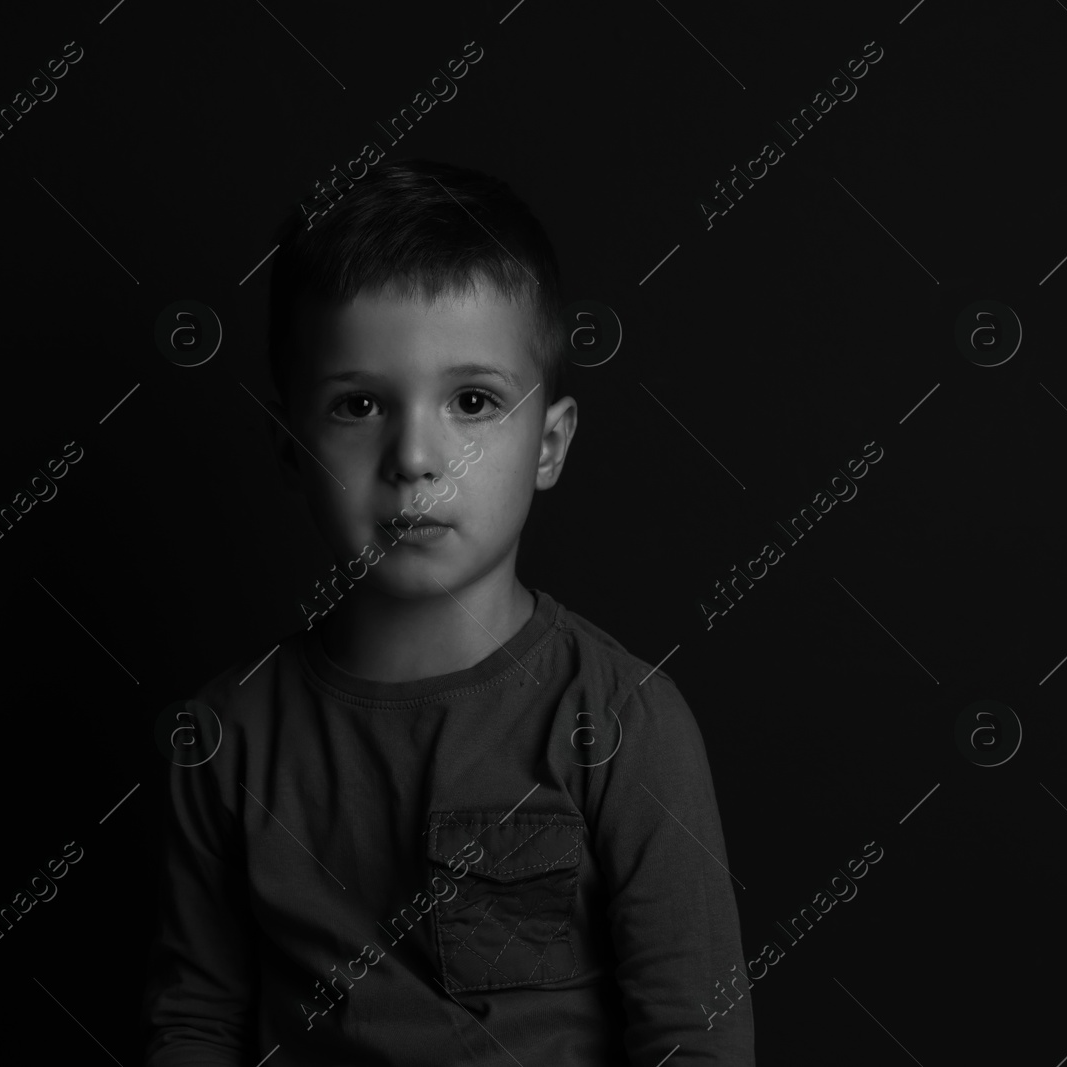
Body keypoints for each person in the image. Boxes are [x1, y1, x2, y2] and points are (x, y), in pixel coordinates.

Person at [142, 159, 754, 1065]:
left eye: (472, 401)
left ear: (548, 445)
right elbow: (195, 1024)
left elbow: (692, 1043)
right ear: (286, 446)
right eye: (358, 405)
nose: (417, 455)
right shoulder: (225, 740)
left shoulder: (623, 724)